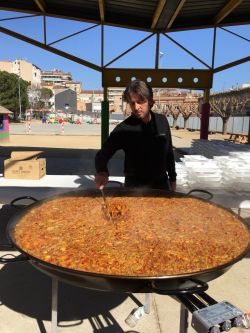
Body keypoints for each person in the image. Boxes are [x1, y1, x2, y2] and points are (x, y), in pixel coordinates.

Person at [95, 80, 177, 191]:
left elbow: (169, 153)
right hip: (134, 187)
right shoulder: (123, 128)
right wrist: (102, 171)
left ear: (151, 102)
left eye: (141, 101)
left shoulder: (162, 121)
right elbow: (103, 154)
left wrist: (173, 179)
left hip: (161, 184)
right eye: (132, 103)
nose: (136, 107)